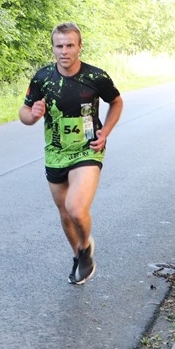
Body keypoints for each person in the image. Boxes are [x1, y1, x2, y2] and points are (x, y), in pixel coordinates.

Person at [19, 22, 124, 285]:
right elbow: (24, 112)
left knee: (75, 209)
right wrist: (32, 116)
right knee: (65, 214)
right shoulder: (43, 78)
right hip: (56, 152)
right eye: (59, 46)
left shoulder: (96, 77)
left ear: (79, 47)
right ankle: (78, 256)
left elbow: (116, 101)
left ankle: (85, 247)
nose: (64, 51)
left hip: (87, 149)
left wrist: (105, 131)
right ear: (53, 48)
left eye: (69, 45)